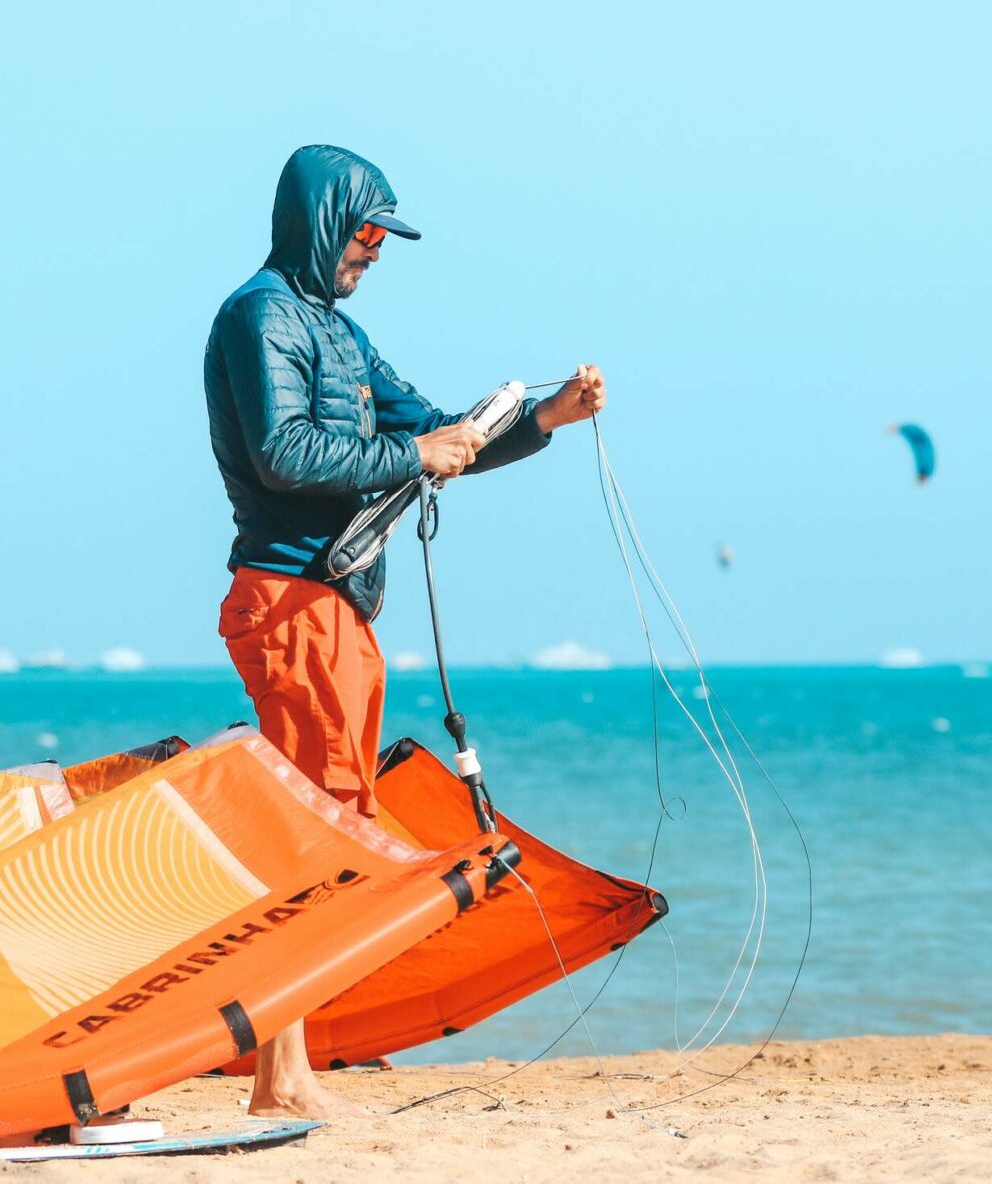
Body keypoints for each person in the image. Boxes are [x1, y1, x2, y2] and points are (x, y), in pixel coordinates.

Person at [202, 144, 606, 1118]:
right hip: (288, 597)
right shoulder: (259, 316)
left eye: (384, 238)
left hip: (340, 607)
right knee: (311, 837)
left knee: (335, 824)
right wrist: (412, 450)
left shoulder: (342, 335)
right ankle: (277, 1072)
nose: (376, 252)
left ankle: (287, 1060)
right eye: (369, 232)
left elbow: (438, 430)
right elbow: (282, 449)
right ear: (326, 220)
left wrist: (541, 415)